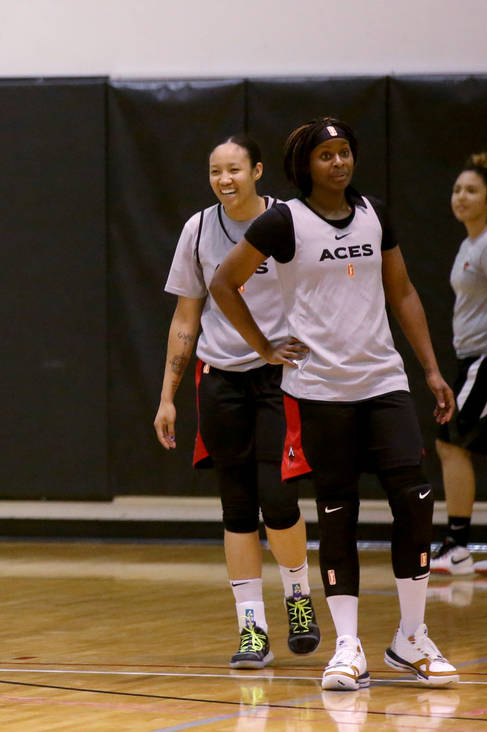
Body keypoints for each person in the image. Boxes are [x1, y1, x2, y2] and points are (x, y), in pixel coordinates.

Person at [210, 117, 459, 690]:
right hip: (319, 391)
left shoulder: (374, 212)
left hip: (384, 383)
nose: (339, 163)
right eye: (327, 155)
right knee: (338, 512)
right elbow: (225, 283)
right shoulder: (284, 222)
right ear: (305, 165)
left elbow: (402, 290)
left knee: (416, 501)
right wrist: (264, 347)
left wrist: (430, 368)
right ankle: (348, 646)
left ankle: (411, 638)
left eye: (345, 152)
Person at [154, 135, 320, 669]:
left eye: (234, 170)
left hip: (278, 380)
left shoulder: (287, 222)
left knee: (279, 499)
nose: (225, 179)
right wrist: (167, 397)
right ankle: (251, 627)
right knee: (237, 508)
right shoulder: (198, 229)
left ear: (257, 171)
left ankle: (298, 599)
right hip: (219, 379)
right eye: (215, 171)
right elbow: (185, 317)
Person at [432, 153, 487, 576]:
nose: (461, 197)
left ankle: (458, 546)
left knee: (450, 442)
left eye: (471, 191)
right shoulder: (471, 242)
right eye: (457, 189)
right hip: (475, 357)